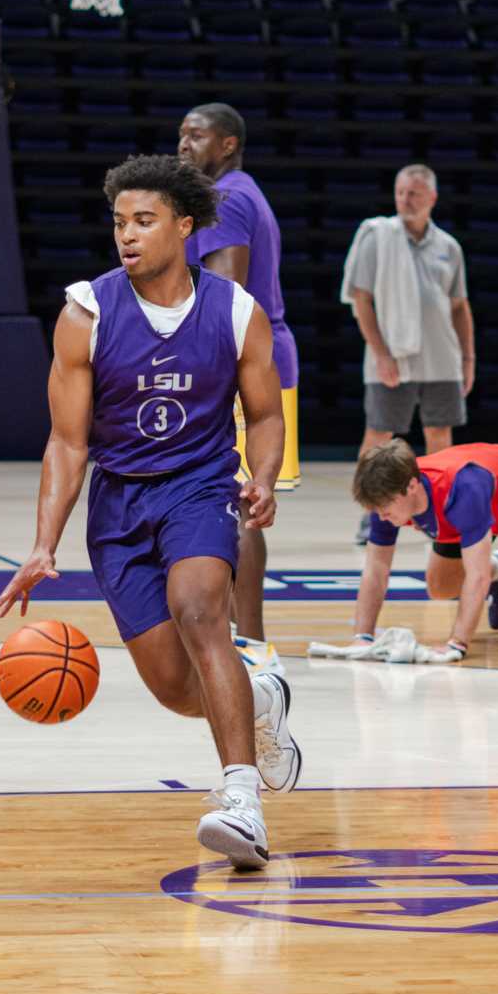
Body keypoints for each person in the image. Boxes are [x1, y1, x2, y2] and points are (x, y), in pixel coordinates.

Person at [0, 153, 298, 870]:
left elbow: (262, 412)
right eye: (119, 222)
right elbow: (67, 444)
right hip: (119, 501)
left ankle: (241, 802)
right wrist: (44, 543)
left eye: (144, 220)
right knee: (172, 687)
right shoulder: (85, 313)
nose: (126, 235)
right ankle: (260, 701)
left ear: (184, 227)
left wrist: (263, 475)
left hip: (198, 485)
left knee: (200, 610)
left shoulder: (234, 310)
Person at [176, 104, 296, 664]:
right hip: (262, 357)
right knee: (238, 503)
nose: (183, 143)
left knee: (238, 504)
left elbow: (225, 292)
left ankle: (245, 641)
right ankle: (239, 636)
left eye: (196, 135)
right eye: (181, 134)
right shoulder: (242, 192)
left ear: (226, 145)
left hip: (244, 363)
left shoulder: (226, 199)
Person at [346, 439, 498, 660]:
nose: (380, 516)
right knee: (440, 585)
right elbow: (376, 568)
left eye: (385, 508)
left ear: (411, 487)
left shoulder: (461, 491)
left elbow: (477, 576)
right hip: (483, 500)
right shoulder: (386, 497)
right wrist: (363, 637)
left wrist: (456, 643)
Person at [342, 164, 474, 543]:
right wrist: (381, 353)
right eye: (400, 192)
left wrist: (467, 359)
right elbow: (361, 299)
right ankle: (372, 515)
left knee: (440, 437)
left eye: (414, 193)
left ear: (432, 197)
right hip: (392, 358)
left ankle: (443, 513)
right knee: (378, 437)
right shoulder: (377, 236)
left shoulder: (449, 246)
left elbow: (459, 306)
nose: (405, 200)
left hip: (440, 358)